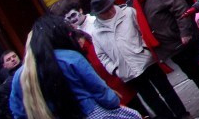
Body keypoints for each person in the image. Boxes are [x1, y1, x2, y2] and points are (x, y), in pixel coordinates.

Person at [9, 15, 141, 119]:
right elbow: (101, 92)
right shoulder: (70, 58)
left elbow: (18, 112)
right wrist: (114, 101)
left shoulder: (20, 75)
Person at [89, 0, 188, 119]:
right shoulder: (96, 32)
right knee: (151, 99)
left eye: (109, 8)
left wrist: (145, 49)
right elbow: (101, 55)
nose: (110, 11)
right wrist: (114, 69)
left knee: (166, 89)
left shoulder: (128, 13)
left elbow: (143, 31)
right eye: (105, 11)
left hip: (146, 60)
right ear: (99, 14)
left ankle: (182, 114)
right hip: (127, 71)